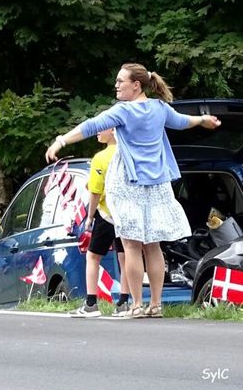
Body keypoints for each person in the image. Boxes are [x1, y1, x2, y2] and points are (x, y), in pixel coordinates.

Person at [46, 63, 221, 319]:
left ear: (135, 85)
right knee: (153, 246)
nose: (116, 85)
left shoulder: (123, 111)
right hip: (158, 185)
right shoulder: (160, 108)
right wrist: (204, 120)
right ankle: (157, 304)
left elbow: (90, 126)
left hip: (129, 184)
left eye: (121, 81)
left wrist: (61, 140)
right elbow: (184, 122)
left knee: (131, 246)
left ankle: (137, 304)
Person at [68, 128, 129, 318]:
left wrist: (89, 217)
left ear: (112, 130)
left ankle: (91, 303)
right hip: (127, 213)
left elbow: (95, 191)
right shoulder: (129, 153)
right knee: (125, 256)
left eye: (102, 129)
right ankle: (125, 303)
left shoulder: (100, 158)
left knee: (93, 257)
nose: (97, 133)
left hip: (106, 212)